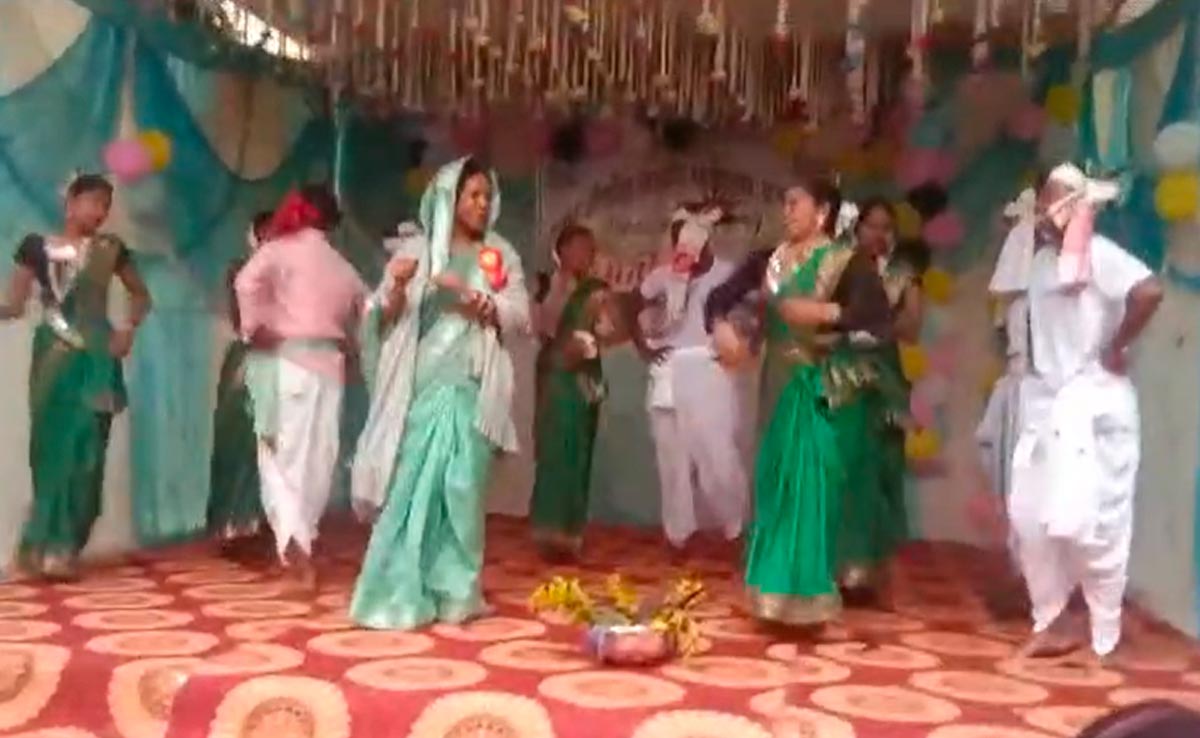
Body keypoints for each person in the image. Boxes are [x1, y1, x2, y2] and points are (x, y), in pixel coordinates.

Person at [349, 157, 530, 630]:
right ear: (449, 198)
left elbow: (519, 315)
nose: (482, 204)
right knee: (413, 486)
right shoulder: (417, 250)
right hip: (424, 380)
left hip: (474, 381)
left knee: (464, 487)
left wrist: (471, 297)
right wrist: (396, 286)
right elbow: (382, 316)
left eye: (487, 196)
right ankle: (397, 590)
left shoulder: (499, 254)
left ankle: (458, 593)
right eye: (473, 195)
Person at [712, 176, 891, 629]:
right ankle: (770, 595)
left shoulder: (844, 262)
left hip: (820, 386)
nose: (786, 211)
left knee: (812, 487)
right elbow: (719, 297)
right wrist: (721, 327)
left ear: (823, 212)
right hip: (775, 384)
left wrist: (828, 312)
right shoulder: (768, 260)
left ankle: (808, 598)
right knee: (774, 482)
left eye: (796, 203)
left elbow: (878, 316)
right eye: (785, 203)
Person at [1009, 163, 1162, 664]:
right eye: (1044, 200)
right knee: (1029, 518)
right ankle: (1052, 619)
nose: (1047, 211)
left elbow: (1149, 290)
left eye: (1057, 200)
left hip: (1094, 402)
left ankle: (1102, 635)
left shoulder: (1100, 253)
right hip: (1045, 402)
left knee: (1092, 524)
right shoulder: (1040, 264)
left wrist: (1117, 345)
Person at [0, 173, 151, 580]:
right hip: (53, 359)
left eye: (106, 205)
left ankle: (64, 546)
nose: (100, 212)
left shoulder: (111, 249)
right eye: (93, 202)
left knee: (87, 454)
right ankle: (43, 548)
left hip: (97, 361)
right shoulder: (35, 248)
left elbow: (141, 295)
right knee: (51, 453)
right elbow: (13, 305)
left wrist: (127, 330)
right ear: (70, 203)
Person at [235, 185, 367, 587]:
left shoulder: (279, 250)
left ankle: (295, 545)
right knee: (318, 458)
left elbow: (244, 282)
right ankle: (302, 538)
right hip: (330, 367)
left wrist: (254, 326)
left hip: (288, 362)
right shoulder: (341, 265)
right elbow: (367, 306)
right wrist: (354, 345)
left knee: (279, 454)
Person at [637, 205, 750, 551]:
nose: (684, 248)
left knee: (718, 456)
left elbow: (752, 312)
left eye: (690, 241)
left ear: (705, 241)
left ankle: (735, 527)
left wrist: (736, 344)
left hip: (710, 368)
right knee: (672, 459)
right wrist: (644, 348)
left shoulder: (727, 274)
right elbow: (632, 303)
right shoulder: (663, 276)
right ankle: (678, 535)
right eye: (678, 242)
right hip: (670, 369)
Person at [835, 198, 918, 602]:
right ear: (857, 228)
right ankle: (839, 569)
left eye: (887, 228)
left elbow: (912, 327)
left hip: (883, 378)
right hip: (842, 376)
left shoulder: (902, 274)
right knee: (844, 467)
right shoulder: (839, 265)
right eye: (872, 226)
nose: (879, 234)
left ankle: (871, 572)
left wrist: (879, 318)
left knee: (881, 469)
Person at [528, 224, 618, 559]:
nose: (586, 254)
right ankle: (546, 530)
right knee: (552, 449)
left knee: (579, 451)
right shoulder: (545, 286)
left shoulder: (596, 290)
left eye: (590, 249)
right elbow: (540, 328)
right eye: (579, 247)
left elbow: (609, 331)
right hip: (554, 375)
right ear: (561, 251)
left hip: (584, 380)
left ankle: (570, 534)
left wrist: (598, 322)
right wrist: (557, 295)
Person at [206, 211, 274, 557]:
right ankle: (231, 521)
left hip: (282, 360)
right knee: (238, 438)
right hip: (248, 358)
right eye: (266, 234)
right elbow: (241, 320)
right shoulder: (240, 270)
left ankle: (262, 521)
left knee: (272, 444)